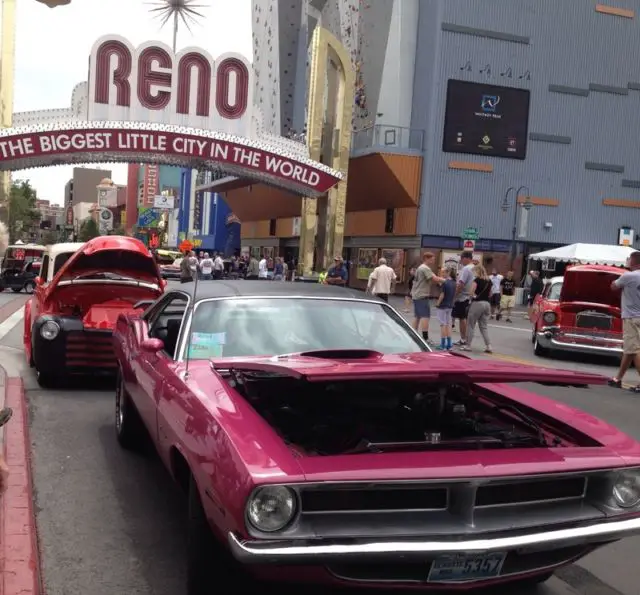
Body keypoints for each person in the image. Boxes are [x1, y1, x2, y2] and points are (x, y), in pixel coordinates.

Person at [609, 251, 640, 391]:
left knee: (634, 350)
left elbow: (613, 286)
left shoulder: (628, 276)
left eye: (629, 259)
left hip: (631, 318)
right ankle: (618, 379)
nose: (627, 261)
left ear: (633, 261)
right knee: (629, 350)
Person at [412, 252, 444, 344]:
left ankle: (413, 335)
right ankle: (425, 338)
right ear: (426, 258)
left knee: (417, 316)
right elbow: (435, 278)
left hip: (417, 294)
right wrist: (447, 281)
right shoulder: (425, 268)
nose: (433, 260)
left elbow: (432, 279)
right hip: (422, 295)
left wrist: (439, 281)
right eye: (432, 259)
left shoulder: (421, 268)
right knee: (425, 316)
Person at [462, 264, 493, 353]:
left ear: (477, 271)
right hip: (487, 304)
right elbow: (490, 294)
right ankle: (488, 346)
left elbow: (471, 292)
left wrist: (473, 297)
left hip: (477, 304)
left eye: (474, 272)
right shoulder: (489, 281)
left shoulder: (476, 280)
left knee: (470, 325)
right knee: (484, 327)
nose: (473, 274)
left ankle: (468, 345)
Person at [452, 252, 475, 346]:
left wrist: (454, 296)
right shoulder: (474, 267)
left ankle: (463, 339)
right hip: (470, 296)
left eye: (462, 258)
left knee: (462, 318)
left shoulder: (466, 269)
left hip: (462, 296)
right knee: (466, 318)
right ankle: (465, 339)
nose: (461, 260)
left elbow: (461, 283)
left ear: (466, 258)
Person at [435, 268, 457, 350]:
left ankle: (443, 344)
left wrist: (437, 303)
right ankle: (449, 343)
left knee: (443, 324)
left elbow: (442, 294)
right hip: (450, 305)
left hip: (443, 305)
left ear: (448, 273)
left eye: (443, 272)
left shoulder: (445, 283)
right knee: (448, 324)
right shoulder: (454, 283)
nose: (442, 274)